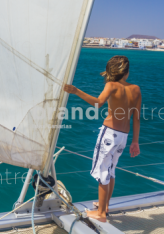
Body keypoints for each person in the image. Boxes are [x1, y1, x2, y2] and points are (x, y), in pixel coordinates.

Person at [64, 55, 141, 222]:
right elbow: (136, 118)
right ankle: (104, 207)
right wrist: (135, 141)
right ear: (126, 72)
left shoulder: (111, 85)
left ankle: (100, 215)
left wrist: (76, 91)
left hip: (109, 134)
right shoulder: (136, 89)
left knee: (102, 172)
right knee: (111, 170)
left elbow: (98, 103)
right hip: (124, 137)